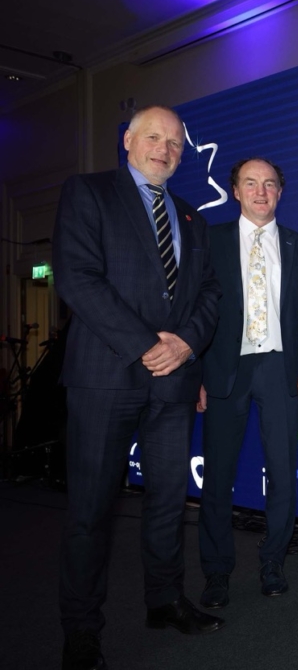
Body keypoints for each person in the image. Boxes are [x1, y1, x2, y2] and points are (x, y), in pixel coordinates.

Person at [53, 105, 223, 670]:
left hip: (173, 382)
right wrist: (148, 343)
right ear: (127, 140)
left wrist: (185, 345)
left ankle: (165, 600)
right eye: (153, 137)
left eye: (175, 142)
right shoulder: (88, 192)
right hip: (107, 376)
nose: (165, 149)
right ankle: (81, 629)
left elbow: (209, 296)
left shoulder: (192, 217)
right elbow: (78, 277)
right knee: (91, 511)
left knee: (169, 504)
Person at [196, 158, 298, 607]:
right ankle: (217, 571)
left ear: (280, 192)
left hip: (281, 368)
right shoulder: (211, 241)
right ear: (236, 191)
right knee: (218, 477)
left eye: (269, 184)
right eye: (251, 184)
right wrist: (197, 374)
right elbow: (196, 310)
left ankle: (272, 563)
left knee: (283, 474)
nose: (261, 192)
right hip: (227, 368)